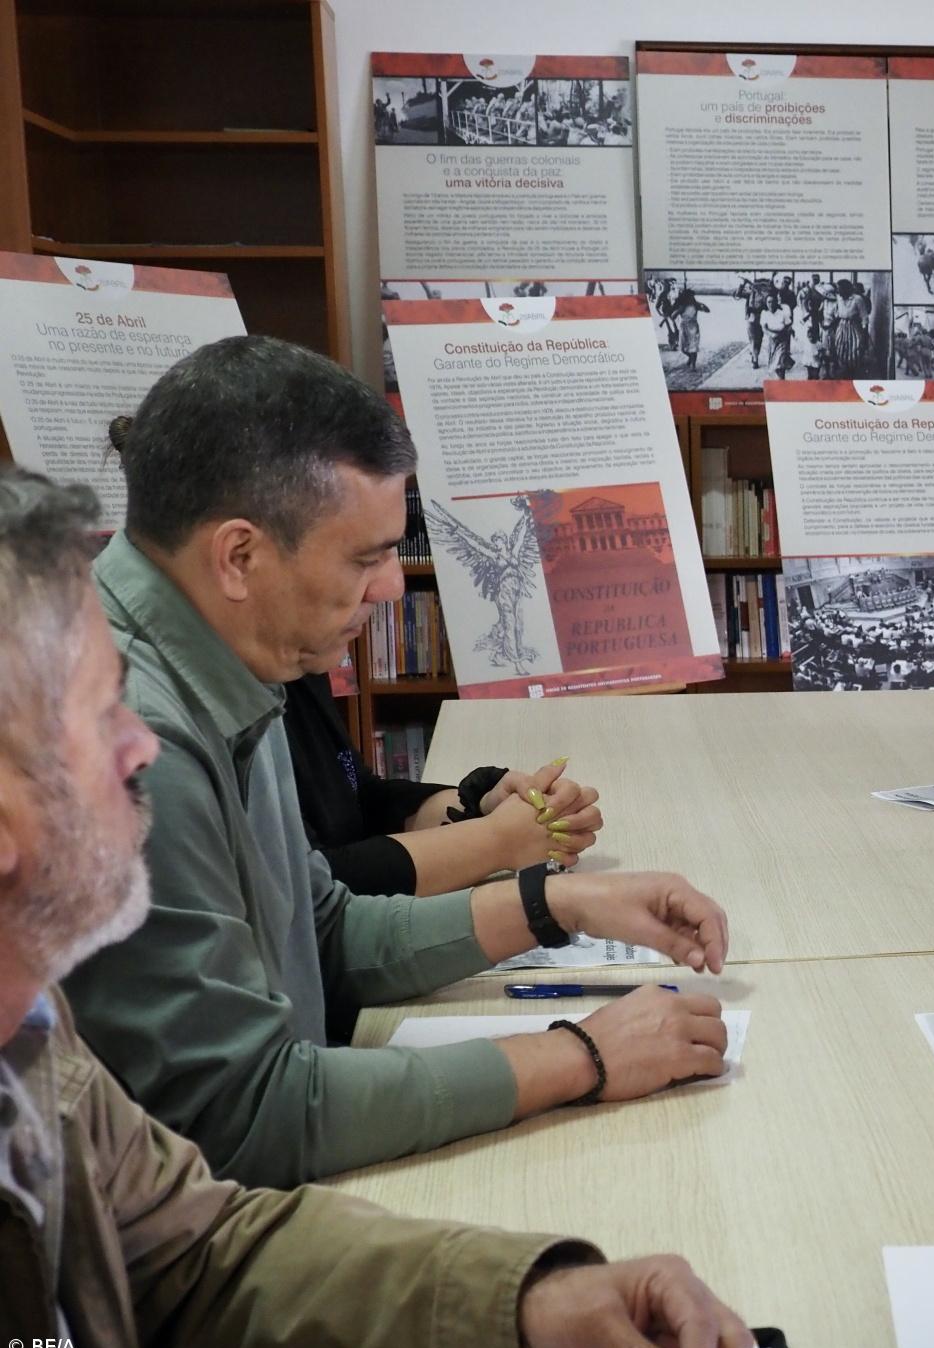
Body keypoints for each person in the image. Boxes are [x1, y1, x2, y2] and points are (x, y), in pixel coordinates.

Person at [0, 467, 755, 1348]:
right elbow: (248, 1121)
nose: (139, 746)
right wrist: (581, 1054)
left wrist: (526, 1303)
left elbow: (193, 1255)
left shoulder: (35, 1042)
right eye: (98, 716)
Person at [68, 337, 737, 1188]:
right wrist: (582, 1056)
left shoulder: (225, 649)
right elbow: (245, 1118)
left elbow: (323, 934)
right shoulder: (127, 745)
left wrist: (560, 901)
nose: (391, 587)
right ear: (238, 557)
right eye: (366, 557)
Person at [282, 668, 599, 897]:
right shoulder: (254, 722)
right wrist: (497, 840)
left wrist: (484, 805)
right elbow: (311, 891)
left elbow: (360, 802)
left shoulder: (298, 672)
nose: (386, 596)